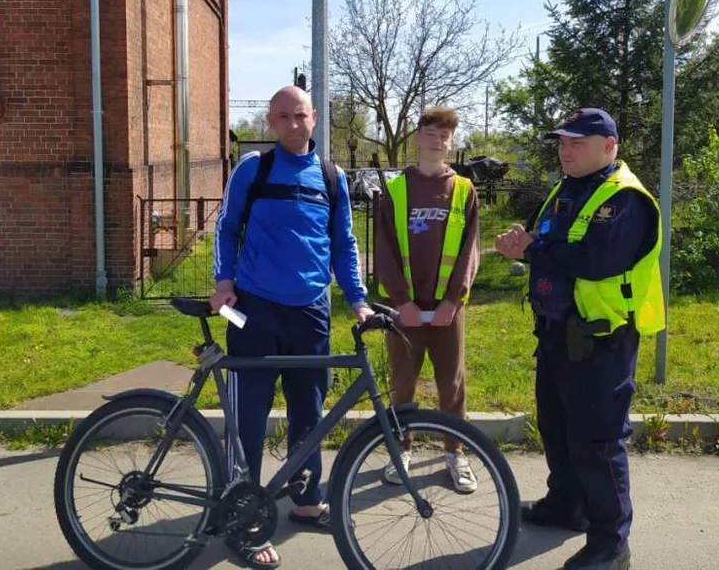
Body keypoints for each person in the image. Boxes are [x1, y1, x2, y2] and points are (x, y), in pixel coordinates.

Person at [495, 108, 664, 570]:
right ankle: (566, 505)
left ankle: (611, 543)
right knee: (556, 427)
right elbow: (549, 246)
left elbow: (595, 260)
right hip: (557, 334)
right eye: (562, 142)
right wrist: (521, 246)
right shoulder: (564, 189)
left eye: (576, 143)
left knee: (597, 442)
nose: (565, 151)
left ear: (609, 146)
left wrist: (533, 249)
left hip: (601, 341)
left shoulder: (623, 198)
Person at [211, 85, 371, 569]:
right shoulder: (252, 169)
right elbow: (225, 226)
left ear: (314, 118)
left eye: (300, 115)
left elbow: (342, 241)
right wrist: (223, 283)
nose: (293, 124)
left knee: (310, 411)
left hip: (311, 312)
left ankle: (305, 500)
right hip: (255, 310)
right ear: (271, 122)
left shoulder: (331, 176)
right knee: (249, 421)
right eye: (282, 117)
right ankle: (243, 519)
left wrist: (358, 300)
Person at [373, 106, 481, 493]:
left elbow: (471, 249)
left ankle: (455, 454)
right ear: (417, 138)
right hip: (406, 311)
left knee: (451, 385)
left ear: (451, 144)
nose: (438, 142)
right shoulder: (396, 189)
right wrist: (401, 301)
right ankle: (401, 450)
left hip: (448, 310)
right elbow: (382, 248)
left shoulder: (465, 189)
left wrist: (454, 300)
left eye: (445, 137)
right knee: (402, 382)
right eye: (431, 134)